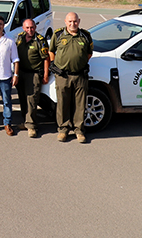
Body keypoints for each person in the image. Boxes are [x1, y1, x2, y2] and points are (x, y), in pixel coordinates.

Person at [49, 12, 94, 143]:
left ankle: (79, 130)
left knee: (80, 104)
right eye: (70, 21)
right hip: (62, 76)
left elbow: (89, 53)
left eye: (75, 21)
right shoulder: (58, 35)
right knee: (63, 103)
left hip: (80, 75)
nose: (72, 24)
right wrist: (53, 64)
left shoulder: (85, 35)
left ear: (79, 21)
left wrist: (81, 63)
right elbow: (51, 51)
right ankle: (63, 130)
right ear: (65, 21)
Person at [16, 19, 50, 138]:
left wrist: (45, 75)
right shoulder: (20, 38)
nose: (29, 30)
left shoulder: (40, 40)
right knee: (22, 98)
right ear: (23, 28)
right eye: (27, 28)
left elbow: (46, 58)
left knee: (32, 99)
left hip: (34, 74)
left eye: (32, 27)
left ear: (35, 27)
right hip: (21, 73)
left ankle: (31, 126)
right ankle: (25, 121)